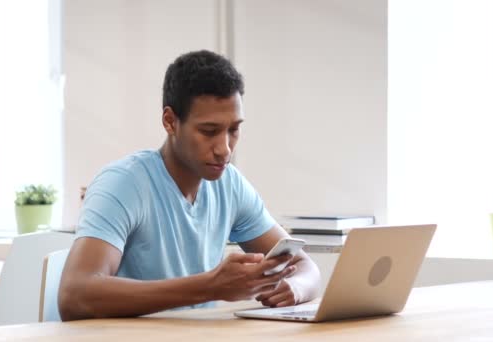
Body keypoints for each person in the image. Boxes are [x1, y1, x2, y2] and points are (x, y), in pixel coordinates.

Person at [58, 50, 321, 321]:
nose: (225, 149)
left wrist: (294, 288)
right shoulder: (123, 183)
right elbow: (75, 295)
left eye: (233, 130)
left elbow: (306, 266)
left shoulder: (229, 184)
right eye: (209, 131)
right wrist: (210, 286)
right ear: (170, 122)